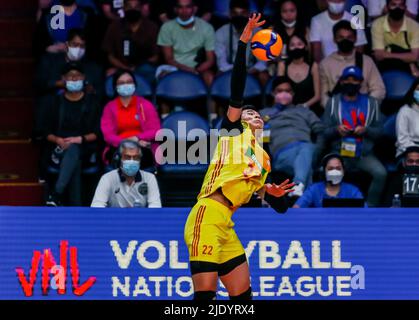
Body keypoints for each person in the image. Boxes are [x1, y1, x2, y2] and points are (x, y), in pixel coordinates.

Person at [184, 14, 294, 301]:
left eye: (256, 112)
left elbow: (279, 208)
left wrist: (276, 194)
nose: (253, 114)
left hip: (227, 225)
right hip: (207, 215)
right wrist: (245, 42)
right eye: (247, 112)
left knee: (243, 300)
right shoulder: (232, 132)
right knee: (205, 299)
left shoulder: (264, 160)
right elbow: (237, 87)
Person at [322, 66, 386, 207]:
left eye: (354, 80)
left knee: (381, 173)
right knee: (326, 172)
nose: (351, 82)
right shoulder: (333, 103)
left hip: (363, 153)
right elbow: (324, 131)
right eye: (347, 79)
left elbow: (380, 132)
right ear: (342, 81)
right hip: (338, 153)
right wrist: (336, 130)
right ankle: (329, 207)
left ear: (360, 82)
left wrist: (366, 130)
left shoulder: (372, 103)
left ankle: (370, 207)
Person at [44, 63, 101, 206]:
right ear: (63, 79)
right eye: (70, 76)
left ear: (84, 78)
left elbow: (98, 132)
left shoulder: (92, 102)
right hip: (59, 148)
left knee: (74, 151)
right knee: (73, 156)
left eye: (77, 76)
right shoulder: (55, 102)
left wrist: (79, 139)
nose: (74, 79)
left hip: (85, 147)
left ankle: (56, 194)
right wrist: (58, 140)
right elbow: (45, 132)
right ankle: (75, 205)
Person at [260, 76, 324, 197]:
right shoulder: (264, 114)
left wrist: (319, 150)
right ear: (273, 94)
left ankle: (297, 193)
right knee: (307, 159)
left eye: (287, 91)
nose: (284, 94)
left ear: (293, 93)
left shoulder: (304, 111)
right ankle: (299, 186)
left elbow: (320, 129)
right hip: (282, 155)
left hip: (307, 150)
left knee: (306, 152)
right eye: (279, 91)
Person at [101, 69, 161, 169]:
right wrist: (129, 142)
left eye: (129, 82)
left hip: (143, 146)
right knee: (123, 159)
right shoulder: (109, 107)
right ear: (115, 87)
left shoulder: (146, 105)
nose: (126, 85)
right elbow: (108, 136)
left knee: (139, 158)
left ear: (135, 84)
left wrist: (137, 138)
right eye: (121, 83)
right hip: (118, 147)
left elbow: (156, 131)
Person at [319, 20, 386, 108]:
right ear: (334, 39)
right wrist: (336, 110)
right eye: (341, 37)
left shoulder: (366, 60)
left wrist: (366, 106)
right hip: (337, 110)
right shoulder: (325, 63)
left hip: (363, 109)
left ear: (355, 39)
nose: (345, 40)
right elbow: (324, 96)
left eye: (349, 37)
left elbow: (379, 89)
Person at [156, 0, 216, 86]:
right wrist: (186, 70)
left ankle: (209, 99)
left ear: (194, 9)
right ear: (175, 10)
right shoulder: (166, 27)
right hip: (174, 67)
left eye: (188, 7)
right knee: (163, 75)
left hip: (198, 68)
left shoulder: (207, 28)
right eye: (180, 7)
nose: (184, 11)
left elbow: (210, 60)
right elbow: (169, 58)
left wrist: (196, 71)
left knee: (209, 76)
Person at [35, 28, 104, 100]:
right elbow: (40, 84)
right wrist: (59, 83)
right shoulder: (49, 61)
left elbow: (100, 93)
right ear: (67, 44)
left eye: (82, 46)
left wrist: (89, 88)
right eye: (75, 44)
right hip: (54, 105)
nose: (78, 49)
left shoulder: (94, 68)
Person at [102, 0, 160, 85]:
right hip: (120, 67)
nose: (133, 10)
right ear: (123, 8)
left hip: (144, 67)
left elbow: (155, 57)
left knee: (149, 71)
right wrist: (124, 68)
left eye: (136, 7)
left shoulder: (151, 27)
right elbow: (110, 55)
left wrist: (137, 66)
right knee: (110, 75)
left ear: (141, 8)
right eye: (129, 7)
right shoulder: (115, 26)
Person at [91, 140, 162, 208]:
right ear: (119, 159)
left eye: (136, 157)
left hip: (140, 219)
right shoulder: (107, 178)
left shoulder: (149, 178)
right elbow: (97, 206)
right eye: (127, 157)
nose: (132, 161)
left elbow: (155, 207)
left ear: (140, 160)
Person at [215, 0, 269, 85]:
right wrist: (238, 71)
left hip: (252, 71)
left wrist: (250, 71)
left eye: (242, 13)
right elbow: (222, 64)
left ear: (249, 14)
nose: (239, 16)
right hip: (230, 70)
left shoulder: (259, 32)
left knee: (264, 75)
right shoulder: (221, 32)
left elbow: (262, 62)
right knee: (218, 75)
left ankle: (264, 98)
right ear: (230, 14)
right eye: (235, 13)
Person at [293, 153, 364, 208]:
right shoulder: (314, 189)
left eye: (338, 168)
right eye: (330, 168)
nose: (335, 171)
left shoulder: (352, 191)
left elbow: (365, 212)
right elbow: (297, 208)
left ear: (343, 172)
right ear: (324, 172)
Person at [371, 0, 419, 76]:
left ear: (405, 8)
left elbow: (414, 57)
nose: (397, 8)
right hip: (386, 66)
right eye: (393, 5)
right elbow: (379, 56)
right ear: (387, 8)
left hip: (407, 70)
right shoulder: (377, 24)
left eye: (401, 5)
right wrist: (408, 58)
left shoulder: (414, 26)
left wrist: (387, 54)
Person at [277, 33, 321, 112]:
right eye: (292, 45)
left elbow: (317, 96)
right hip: (287, 110)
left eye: (299, 44)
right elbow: (279, 92)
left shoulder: (313, 65)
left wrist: (303, 106)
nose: (296, 47)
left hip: (310, 109)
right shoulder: (282, 65)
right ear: (288, 48)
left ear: (306, 47)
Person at [395, 78, 419, 158]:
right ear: (413, 91)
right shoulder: (404, 111)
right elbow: (402, 141)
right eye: (418, 89)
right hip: (407, 151)